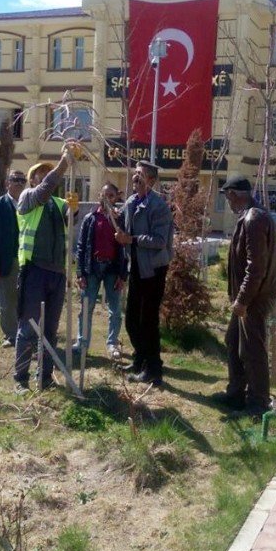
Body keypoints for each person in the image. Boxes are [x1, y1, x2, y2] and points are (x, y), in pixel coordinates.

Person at [212, 175, 276, 419]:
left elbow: (256, 267)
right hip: (248, 295)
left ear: (234, 194)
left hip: (255, 296)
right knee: (233, 340)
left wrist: (242, 300)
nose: (227, 201)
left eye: (227, 195)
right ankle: (236, 393)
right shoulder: (249, 216)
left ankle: (258, 402)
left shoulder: (254, 218)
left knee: (253, 349)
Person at [14, 142, 78, 392]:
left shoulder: (59, 202)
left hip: (57, 274)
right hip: (34, 271)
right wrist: (64, 163)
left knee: (50, 331)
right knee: (29, 327)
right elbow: (44, 190)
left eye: (48, 171)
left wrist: (73, 210)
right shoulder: (28, 198)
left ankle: (45, 378)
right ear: (32, 179)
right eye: (40, 172)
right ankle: (21, 379)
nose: (46, 175)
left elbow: (69, 223)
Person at [115, 161, 174, 387]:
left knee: (147, 321)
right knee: (131, 319)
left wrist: (131, 240)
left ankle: (154, 370)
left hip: (154, 269)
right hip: (137, 266)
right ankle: (139, 361)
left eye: (140, 175)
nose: (135, 178)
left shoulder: (158, 206)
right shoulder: (132, 201)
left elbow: (159, 241)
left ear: (151, 180)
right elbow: (124, 223)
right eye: (135, 174)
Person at [73, 182, 127, 359]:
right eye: (105, 195)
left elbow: (124, 249)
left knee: (115, 309)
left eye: (111, 196)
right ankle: (82, 343)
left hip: (112, 268)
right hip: (93, 268)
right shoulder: (90, 219)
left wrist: (123, 275)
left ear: (116, 197)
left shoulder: (120, 219)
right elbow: (81, 247)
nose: (108, 199)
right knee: (86, 307)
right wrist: (80, 273)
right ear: (99, 197)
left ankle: (112, 344)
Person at [0, 169, 27, 347]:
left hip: (27, 261)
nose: (18, 183)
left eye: (22, 180)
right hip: (6, 261)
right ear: (7, 183)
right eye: (15, 179)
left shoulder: (29, 205)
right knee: (7, 300)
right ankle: (10, 335)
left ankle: (24, 332)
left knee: (24, 299)